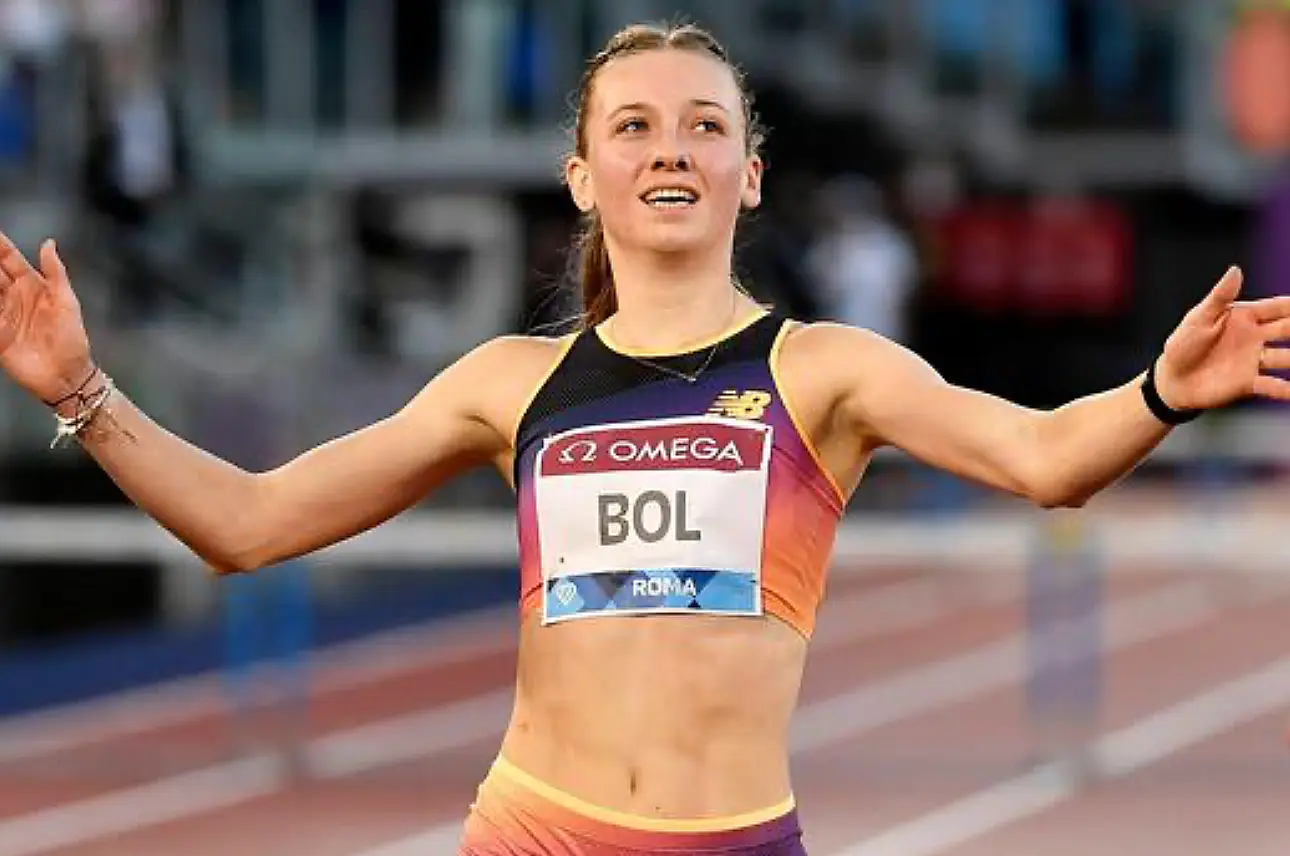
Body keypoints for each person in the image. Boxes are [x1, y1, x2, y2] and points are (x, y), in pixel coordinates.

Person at [1, 21, 1288, 856]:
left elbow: (1047, 458)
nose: (670, 148)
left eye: (704, 125)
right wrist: (84, 388)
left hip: (730, 836)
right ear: (582, 177)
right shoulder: (508, 384)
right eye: (634, 125)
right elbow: (249, 522)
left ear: (752, 172)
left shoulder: (823, 369)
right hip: (532, 830)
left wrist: (1160, 392)